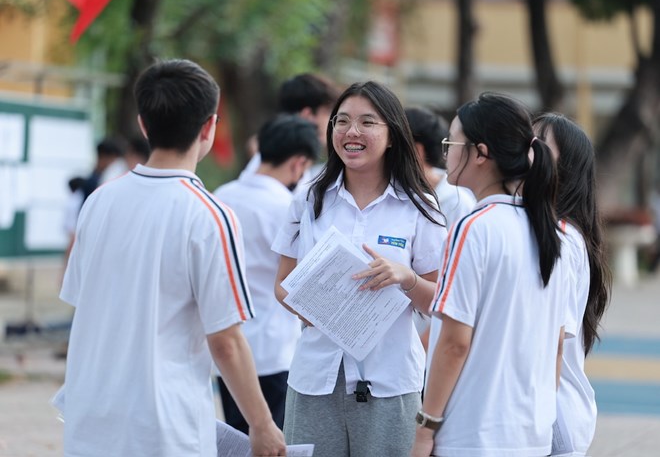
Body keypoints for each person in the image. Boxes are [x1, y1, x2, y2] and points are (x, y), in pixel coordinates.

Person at [57, 59, 285, 457]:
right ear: (209, 127)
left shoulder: (98, 201)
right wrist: (263, 425)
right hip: (164, 429)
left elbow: (83, 302)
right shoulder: (210, 215)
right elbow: (226, 341)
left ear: (144, 125)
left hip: (90, 419)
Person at [272, 81, 447, 456]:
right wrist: (319, 309)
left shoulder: (421, 207)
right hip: (314, 379)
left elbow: (439, 301)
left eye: (368, 122)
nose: (352, 132)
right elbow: (283, 286)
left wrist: (406, 277)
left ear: (392, 135)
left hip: (390, 381)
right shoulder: (307, 198)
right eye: (343, 121)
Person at [412, 92, 567, 457]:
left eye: (452, 143)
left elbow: (454, 342)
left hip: (473, 433)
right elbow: (558, 342)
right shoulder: (551, 231)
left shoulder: (473, 228)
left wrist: (425, 427)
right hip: (531, 433)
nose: (446, 152)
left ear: (480, 153)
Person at [214, 114, 321, 434]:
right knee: (273, 439)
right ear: (299, 163)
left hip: (224, 344)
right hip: (273, 349)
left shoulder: (222, 195)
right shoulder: (286, 207)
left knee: (238, 437)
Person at [534, 113, 612, 456]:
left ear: (564, 170)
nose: (527, 151)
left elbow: (552, 341)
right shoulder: (555, 232)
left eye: (539, 145)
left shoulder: (561, 240)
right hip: (551, 409)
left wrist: (538, 416)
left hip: (552, 413)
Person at [405, 106, 475, 349]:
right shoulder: (399, 195)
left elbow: (458, 286)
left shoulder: (456, 201)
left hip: (427, 349)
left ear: (416, 151)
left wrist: (423, 347)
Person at [242, 73, 340, 180]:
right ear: (307, 115)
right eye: (328, 113)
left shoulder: (265, 157)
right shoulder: (282, 171)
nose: (333, 122)